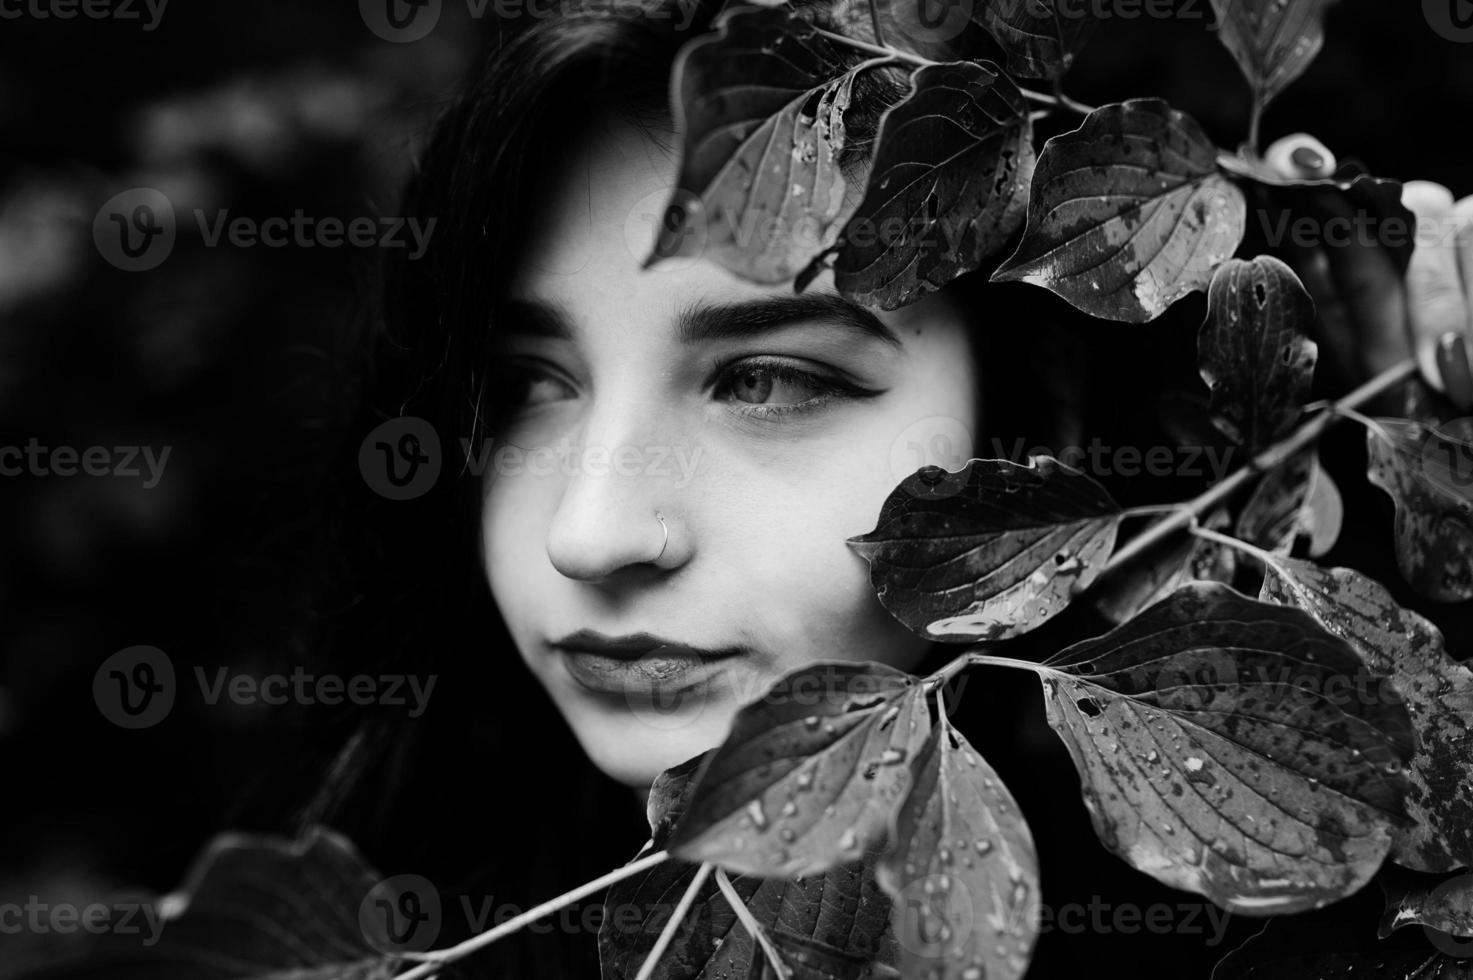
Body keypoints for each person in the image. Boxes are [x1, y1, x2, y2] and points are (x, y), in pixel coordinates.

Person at [296, 0, 1473, 976]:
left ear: (1034, 412)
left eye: (765, 378)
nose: (590, 532)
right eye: (522, 385)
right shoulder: (379, 901)